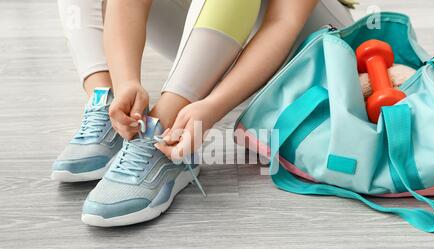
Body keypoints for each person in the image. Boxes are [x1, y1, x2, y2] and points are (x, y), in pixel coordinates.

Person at [53, 0, 355, 227]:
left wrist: (212, 107)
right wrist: (125, 83)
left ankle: (163, 131)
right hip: (218, 26)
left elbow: (283, 22)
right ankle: (108, 106)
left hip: (306, 40)